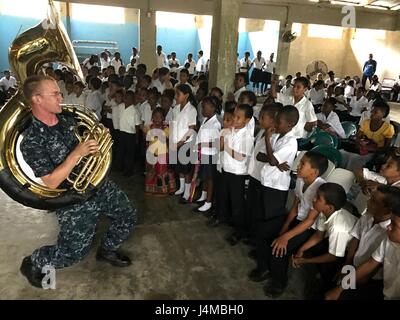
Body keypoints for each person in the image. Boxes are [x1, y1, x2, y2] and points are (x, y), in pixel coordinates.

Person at [19, 75, 136, 288]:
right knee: (73, 254)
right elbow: (52, 182)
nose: (61, 96)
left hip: (98, 184)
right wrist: (77, 153)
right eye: (54, 93)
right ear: (37, 99)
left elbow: (91, 150)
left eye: (59, 92)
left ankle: (106, 249)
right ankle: (35, 261)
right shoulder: (31, 140)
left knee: (127, 215)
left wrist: (98, 141)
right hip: (73, 199)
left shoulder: (69, 118)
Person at [259, 152, 328, 297]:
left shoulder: (320, 188)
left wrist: (285, 237)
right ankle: (265, 267)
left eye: (303, 164)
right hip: (297, 220)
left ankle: (279, 282)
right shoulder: (301, 179)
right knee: (264, 230)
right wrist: (284, 227)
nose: (298, 165)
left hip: (309, 228)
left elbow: (310, 220)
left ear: (314, 171)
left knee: (279, 248)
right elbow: (295, 206)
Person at [326, 185, 400, 300]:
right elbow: (356, 238)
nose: (368, 201)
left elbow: (371, 268)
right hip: (355, 263)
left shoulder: (389, 233)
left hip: (369, 278)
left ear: (387, 210)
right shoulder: (367, 216)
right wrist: (348, 263)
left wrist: (346, 283)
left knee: (342, 292)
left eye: (373, 201)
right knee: (333, 279)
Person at [291, 183, 357, 294]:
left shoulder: (338, 227)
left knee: (329, 275)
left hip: (349, 254)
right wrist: (301, 250)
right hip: (337, 245)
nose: (314, 199)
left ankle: (325, 286)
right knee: (313, 248)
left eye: (318, 198)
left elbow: (334, 256)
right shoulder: (324, 212)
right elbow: (318, 236)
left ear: (329, 206)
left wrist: (305, 261)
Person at [245, 103, 282, 244]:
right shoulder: (262, 132)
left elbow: (266, 157)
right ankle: (250, 233)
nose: (259, 119)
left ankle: (255, 238)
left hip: (263, 178)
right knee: (252, 207)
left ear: (273, 120)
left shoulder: (273, 137)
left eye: (263, 117)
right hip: (254, 174)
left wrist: (265, 157)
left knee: (260, 210)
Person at [221, 104, 254, 245]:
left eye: (238, 117)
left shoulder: (247, 136)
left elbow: (240, 156)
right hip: (226, 170)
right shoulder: (231, 130)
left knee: (237, 204)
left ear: (247, 120)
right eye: (234, 115)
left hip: (237, 173)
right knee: (228, 199)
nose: (234, 119)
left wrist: (226, 147)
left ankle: (239, 232)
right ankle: (231, 223)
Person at [340, 100, 394, 171]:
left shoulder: (388, 128)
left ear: (383, 114)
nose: (371, 114)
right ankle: (341, 171)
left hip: (376, 152)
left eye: (375, 112)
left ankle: (352, 174)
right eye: (371, 111)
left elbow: (386, 148)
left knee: (354, 158)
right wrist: (359, 142)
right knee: (342, 152)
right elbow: (357, 136)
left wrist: (370, 148)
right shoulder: (366, 123)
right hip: (362, 148)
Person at [171, 84, 197, 203]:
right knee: (179, 168)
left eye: (178, 94)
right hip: (176, 142)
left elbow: (191, 129)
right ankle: (181, 188)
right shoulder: (176, 108)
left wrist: (181, 142)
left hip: (186, 143)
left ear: (186, 95)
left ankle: (186, 193)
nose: (176, 96)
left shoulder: (191, 110)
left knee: (186, 169)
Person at [195, 96, 221, 212]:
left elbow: (216, 143)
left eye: (204, 108)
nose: (202, 110)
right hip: (204, 154)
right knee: (204, 177)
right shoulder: (206, 120)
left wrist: (202, 145)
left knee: (210, 179)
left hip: (211, 155)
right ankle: (204, 195)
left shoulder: (215, 124)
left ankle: (208, 202)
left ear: (212, 108)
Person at [144, 107, 175, 195]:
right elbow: (146, 139)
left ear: (163, 119)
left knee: (161, 172)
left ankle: (162, 189)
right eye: (155, 116)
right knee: (151, 171)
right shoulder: (149, 127)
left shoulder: (166, 129)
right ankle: (151, 188)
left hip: (162, 154)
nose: (157, 119)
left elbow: (168, 140)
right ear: (152, 117)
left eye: (160, 117)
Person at [116, 90, 141, 177]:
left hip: (131, 134)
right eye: (126, 97)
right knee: (121, 151)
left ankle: (128, 171)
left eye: (130, 98)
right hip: (122, 132)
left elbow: (137, 125)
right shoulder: (121, 106)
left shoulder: (134, 111)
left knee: (129, 154)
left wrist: (137, 138)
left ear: (133, 100)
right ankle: (120, 167)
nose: (127, 100)